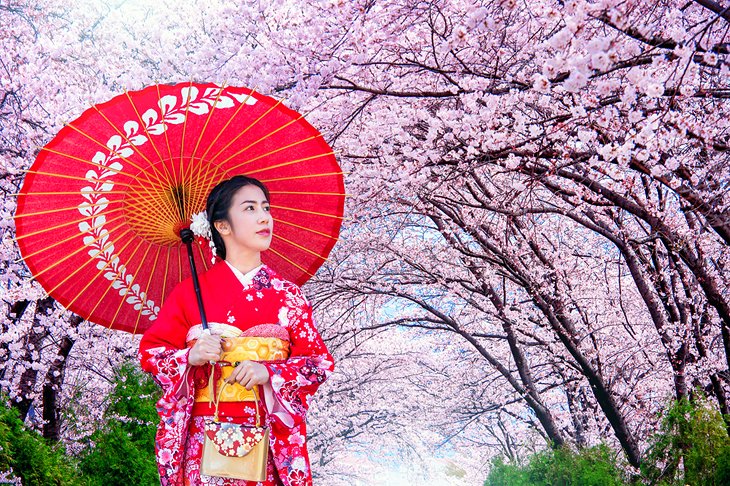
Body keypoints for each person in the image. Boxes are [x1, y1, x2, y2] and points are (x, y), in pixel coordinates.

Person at [138, 175, 334, 486]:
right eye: (250, 208)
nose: (264, 217)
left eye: (266, 208)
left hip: (267, 436)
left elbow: (318, 364)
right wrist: (191, 356)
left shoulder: (288, 295)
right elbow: (151, 354)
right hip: (206, 438)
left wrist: (268, 372)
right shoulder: (189, 293)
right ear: (222, 226)